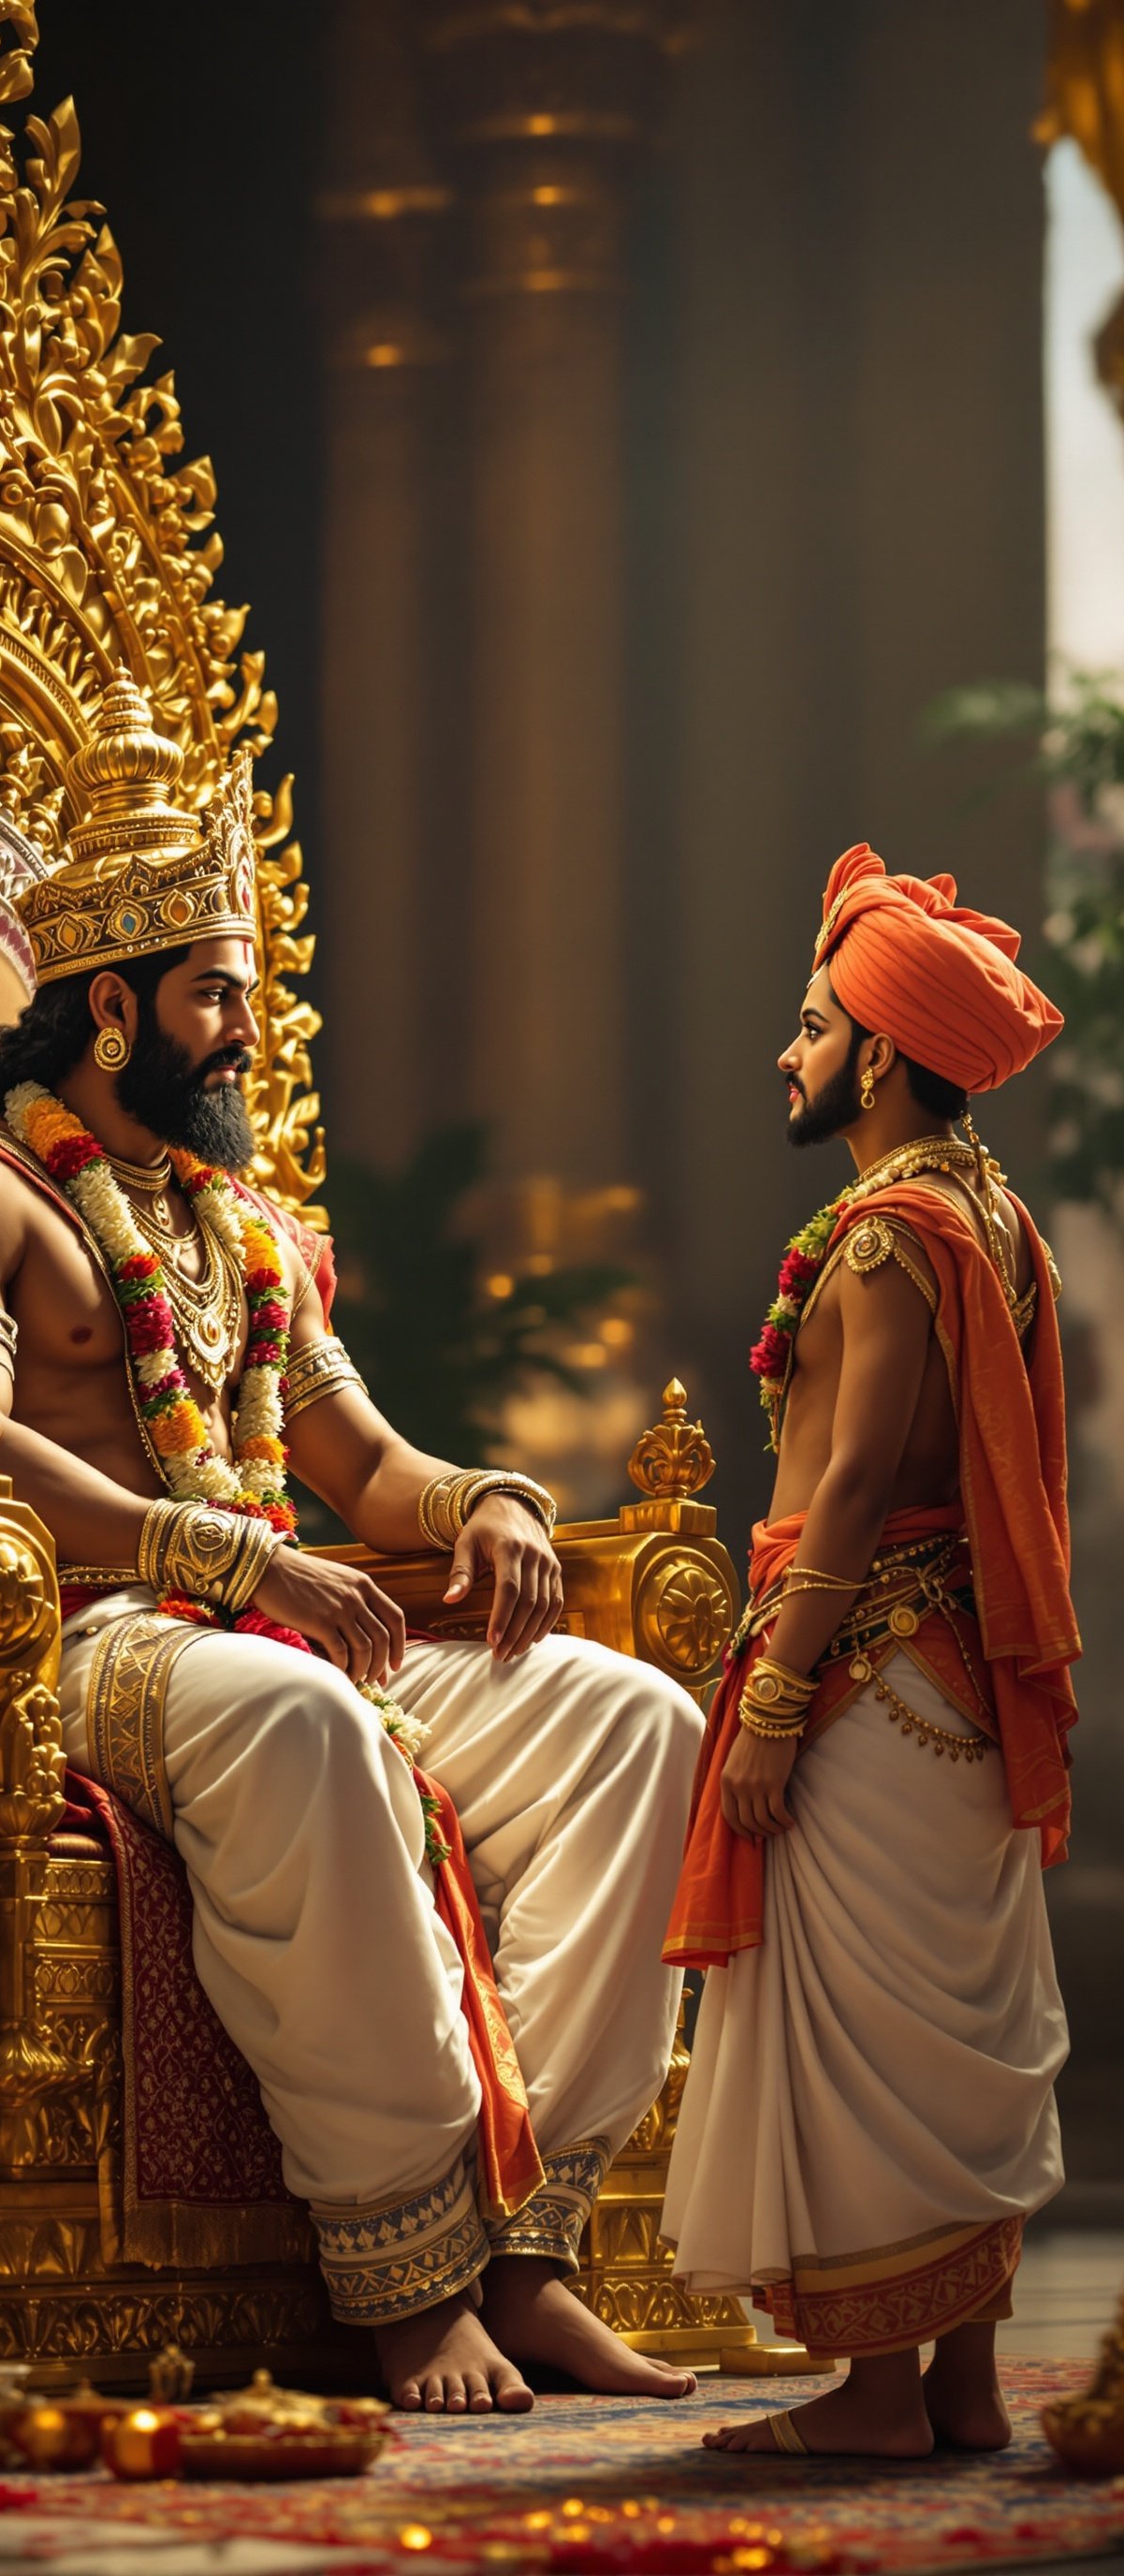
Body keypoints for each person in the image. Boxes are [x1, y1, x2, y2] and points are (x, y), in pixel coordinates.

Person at [0, 670, 705, 2417]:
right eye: (216, 997)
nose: (248, 1031)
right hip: (81, 1641)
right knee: (303, 1720)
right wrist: (228, 1561)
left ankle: (530, 2246)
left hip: (269, 1614)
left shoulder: (248, 1236)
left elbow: (364, 1460)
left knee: (637, 1722)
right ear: (109, 1010)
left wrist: (477, 1500)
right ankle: (406, 2276)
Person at [660, 843, 1076, 2459]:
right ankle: (960, 2389)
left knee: (871, 2040)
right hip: (957, 1689)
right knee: (947, 2036)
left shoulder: (894, 1233)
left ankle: (881, 2399)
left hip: (870, 1680)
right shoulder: (1002, 1221)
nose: (790, 1051)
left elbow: (846, 1484)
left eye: (814, 1025)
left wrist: (769, 1702)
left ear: (881, 1056)